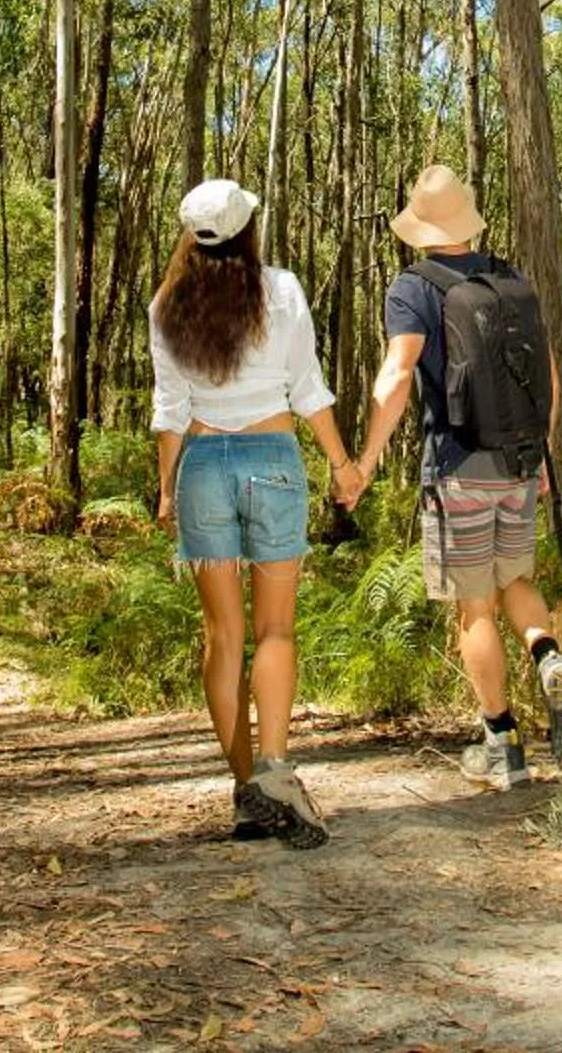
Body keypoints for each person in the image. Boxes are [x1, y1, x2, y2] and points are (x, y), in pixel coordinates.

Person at [350, 164, 562, 789]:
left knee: (474, 608)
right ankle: (547, 653)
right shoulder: (510, 278)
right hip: (516, 462)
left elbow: (398, 375)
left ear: (421, 228)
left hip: (456, 465)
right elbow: (551, 377)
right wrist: (536, 454)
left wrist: (365, 460)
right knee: (517, 580)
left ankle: (501, 744)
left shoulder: (414, 288)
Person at [150, 177, 367, 846]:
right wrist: (342, 464)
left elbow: (171, 410)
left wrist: (165, 489)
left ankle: (248, 792)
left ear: (193, 236)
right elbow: (307, 390)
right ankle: (273, 770)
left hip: (204, 469)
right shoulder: (283, 290)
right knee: (275, 631)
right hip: (273, 463)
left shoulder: (167, 304)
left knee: (223, 638)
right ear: (248, 230)